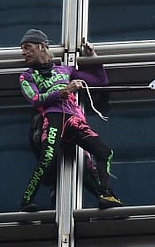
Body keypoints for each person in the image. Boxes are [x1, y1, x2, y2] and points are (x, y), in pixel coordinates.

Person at [18, 28, 123, 211]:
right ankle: (26, 202)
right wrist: (64, 91)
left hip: (74, 119)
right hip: (53, 118)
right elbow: (35, 99)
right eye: (23, 48)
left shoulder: (65, 69)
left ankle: (106, 195)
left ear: (42, 47)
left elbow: (100, 81)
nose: (23, 52)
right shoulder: (26, 75)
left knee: (105, 152)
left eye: (28, 47)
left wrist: (93, 57)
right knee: (47, 158)